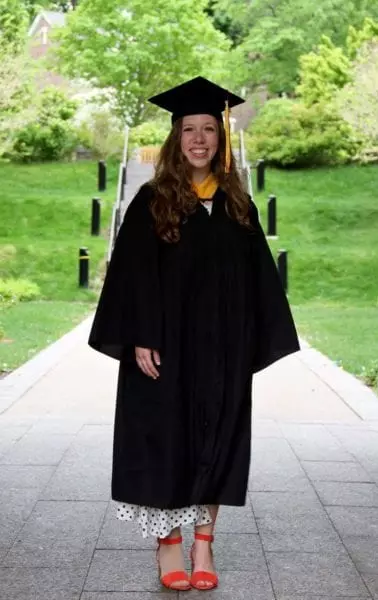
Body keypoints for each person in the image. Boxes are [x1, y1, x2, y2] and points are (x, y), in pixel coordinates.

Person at [88, 76, 300, 592]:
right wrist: (139, 334)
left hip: (222, 351)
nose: (200, 139)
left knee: (218, 442)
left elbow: (258, 281)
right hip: (164, 350)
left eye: (209, 129)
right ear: (175, 138)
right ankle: (169, 546)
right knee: (167, 443)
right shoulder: (152, 200)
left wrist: (252, 340)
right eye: (190, 129)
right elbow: (131, 277)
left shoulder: (238, 207)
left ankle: (204, 543)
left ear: (221, 140)